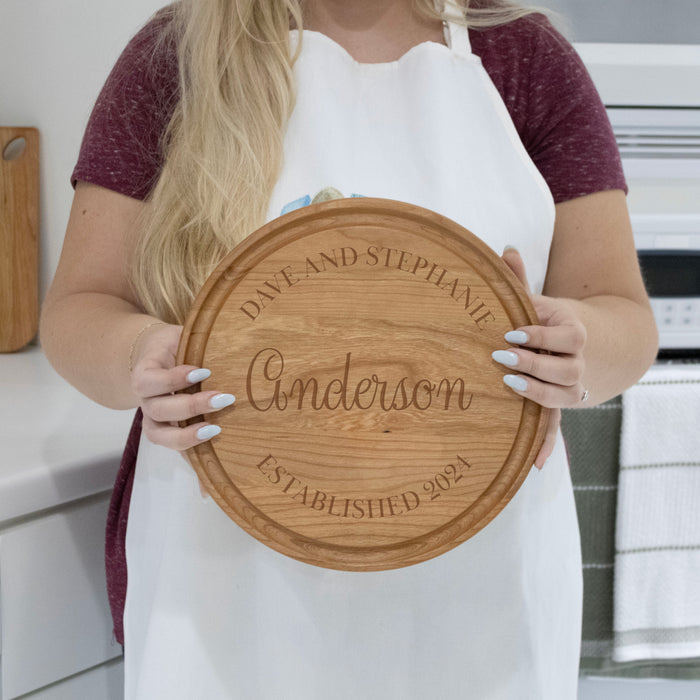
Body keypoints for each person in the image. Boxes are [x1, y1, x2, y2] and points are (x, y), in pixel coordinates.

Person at [40, 0, 658, 697]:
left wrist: (577, 351)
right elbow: (80, 308)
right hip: (225, 583)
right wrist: (139, 354)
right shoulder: (174, 54)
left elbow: (624, 319)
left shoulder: (523, 56)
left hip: (480, 584)